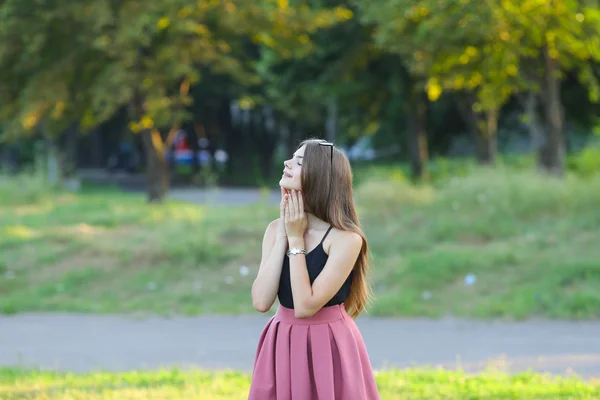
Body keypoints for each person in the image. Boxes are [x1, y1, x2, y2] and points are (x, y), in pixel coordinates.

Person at [248, 138, 380, 399]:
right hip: (282, 340)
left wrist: (297, 240)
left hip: (328, 344)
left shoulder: (346, 239)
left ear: (318, 177)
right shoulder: (275, 229)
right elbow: (261, 301)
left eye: (298, 162)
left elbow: (306, 307)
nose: (286, 163)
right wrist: (285, 234)